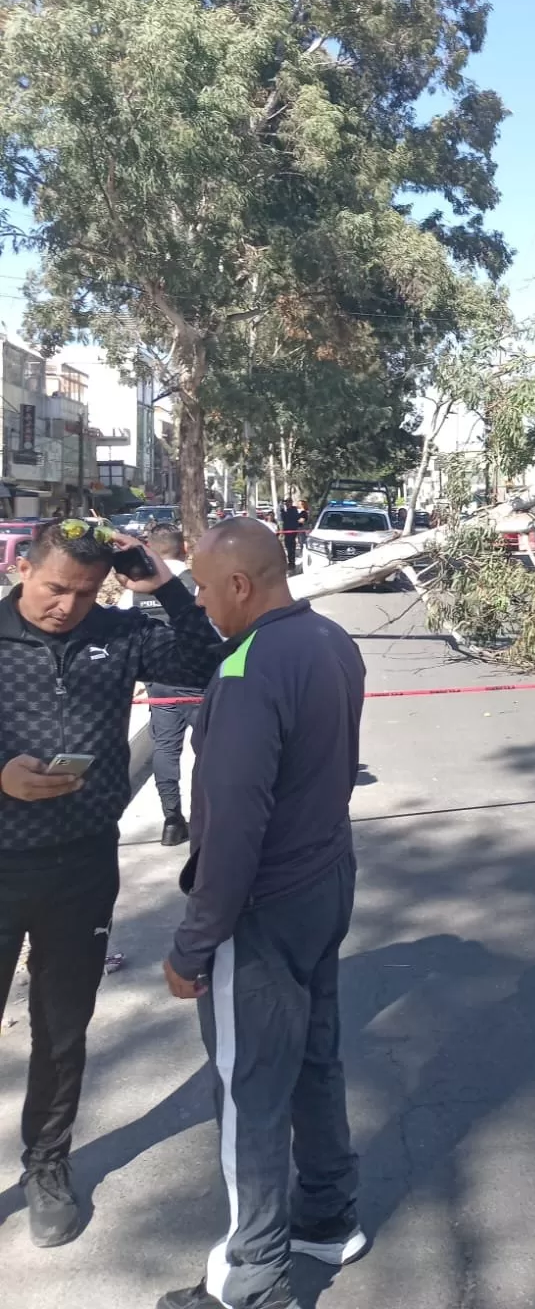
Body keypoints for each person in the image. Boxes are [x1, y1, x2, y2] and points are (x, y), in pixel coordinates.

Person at [157, 518, 367, 1309]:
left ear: (242, 585)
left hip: (264, 908)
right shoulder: (331, 640)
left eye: (207, 589)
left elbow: (233, 826)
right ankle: (329, 1213)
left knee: (249, 1092)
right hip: (325, 883)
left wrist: (194, 942)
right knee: (315, 1057)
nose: (204, 603)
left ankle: (254, 1280)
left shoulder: (247, 671)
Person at [0, 519, 222, 1246]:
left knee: (62, 1033)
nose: (66, 604)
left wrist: (163, 586)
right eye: (54, 587)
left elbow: (207, 659)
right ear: (24, 568)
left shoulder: (119, 633)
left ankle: (48, 1165)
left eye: (84, 592)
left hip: (82, 867)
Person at [117, 524, 203, 846]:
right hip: (199, 681)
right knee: (207, 750)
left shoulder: (135, 589)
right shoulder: (197, 584)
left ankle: (171, 819)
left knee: (165, 749)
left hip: (159, 684)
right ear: (183, 549)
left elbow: (122, 632)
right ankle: (204, 814)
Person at [279, 498, 302, 574]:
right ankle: (290, 562)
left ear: (291, 503)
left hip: (292, 531)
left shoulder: (293, 510)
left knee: (291, 547)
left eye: (288, 502)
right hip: (287, 531)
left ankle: (292, 563)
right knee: (288, 547)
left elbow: (288, 518)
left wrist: (283, 511)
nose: (286, 504)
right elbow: (283, 519)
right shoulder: (287, 510)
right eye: (286, 503)